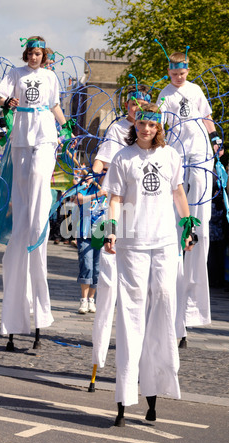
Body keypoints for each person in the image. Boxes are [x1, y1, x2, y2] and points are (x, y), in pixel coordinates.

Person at [102, 103, 196, 426]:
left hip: (165, 243)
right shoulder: (123, 158)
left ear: (158, 128)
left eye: (152, 124)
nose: (146, 129)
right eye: (142, 123)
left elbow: (179, 192)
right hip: (133, 245)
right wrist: (111, 232)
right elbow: (114, 200)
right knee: (131, 315)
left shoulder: (170, 157)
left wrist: (188, 225)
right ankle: (124, 397)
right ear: (136, 125)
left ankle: (155, 386)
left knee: (166, 304)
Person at [0, 36, 67, 345]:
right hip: (22, 131)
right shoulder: (15, 73)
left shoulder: (50, 76)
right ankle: (25, 218)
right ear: (27, 54)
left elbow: (54, 106)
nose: (35, 58)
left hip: (45, 131)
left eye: (39, 54)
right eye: (32, 53)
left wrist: (67, 127)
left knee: (40, 172)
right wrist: (8, 102)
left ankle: (39, 215)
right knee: (23, 182)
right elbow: (1, 98)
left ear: (44, 55)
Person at [156, 50, 224, 343]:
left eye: (182, 73)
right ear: (169, 72)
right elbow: (158, 123)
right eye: (174, 74)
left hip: (199, 154)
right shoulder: (165, 94)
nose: (178, 78)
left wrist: (215, 138)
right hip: (177, 154)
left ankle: (197, 236)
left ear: (187, 70)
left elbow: (207, 119)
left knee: (201, 222)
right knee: (176, 216)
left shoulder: (195, 90)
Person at [92, 84, 152, 369]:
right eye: (133, 105)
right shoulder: (117, 129)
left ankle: (138, 351)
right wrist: (92, 175)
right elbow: (101, 158)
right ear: (127, 107)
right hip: (116, 203)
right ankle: (100, 355)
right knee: (108, 278)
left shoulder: (154, 134)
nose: (136, 110)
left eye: (142, 106)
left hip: (143, 212)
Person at [74, 179, 106, 314]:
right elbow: (78, 199)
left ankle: (92, 299)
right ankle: (84, 299)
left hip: (101, 233)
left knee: (97, 268)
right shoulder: (88, 185)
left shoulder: (113, 186)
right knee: (86, 265)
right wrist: (96, 195)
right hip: (85, 233)